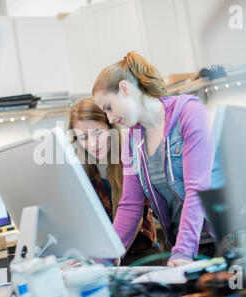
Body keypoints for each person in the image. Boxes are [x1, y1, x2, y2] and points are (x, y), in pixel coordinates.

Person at [92, 51, 221, 267]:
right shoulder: (132, 141)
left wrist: (182, 252)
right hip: (183, 249)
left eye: (109, 107)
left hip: (217, 242)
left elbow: (197, 189)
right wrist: (102, 260)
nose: (111, 118)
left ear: (125, 89)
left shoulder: (189, 113)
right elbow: (130, 205)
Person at [68, 97, 162, 265]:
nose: (92, 144)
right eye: (83, 137)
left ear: (110, 127)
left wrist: (111, 258)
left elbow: (134, 215)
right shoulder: (77, 165)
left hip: (140, 251)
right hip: (101, 255)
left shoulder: (132, 151)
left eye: (97, 133)